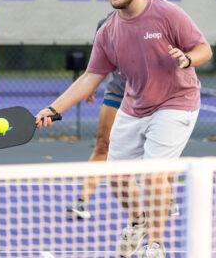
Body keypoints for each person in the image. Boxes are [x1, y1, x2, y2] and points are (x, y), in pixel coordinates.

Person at [36, 0, 212, 258]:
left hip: (177, 101)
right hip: (135, 105)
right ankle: (136, 221)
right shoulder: (108, 31)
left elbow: (204, 48)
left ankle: (155, 244)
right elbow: (90, 78)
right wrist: (54, 109)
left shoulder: (168, 13)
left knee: (154, 174)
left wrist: (187, 58)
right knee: (117, 176)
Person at [65, 13, 180, 221]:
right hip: (118, 94)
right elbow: (99, 63)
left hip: (156, 97)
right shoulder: (105, 23)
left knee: (159, 154)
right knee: (102, 145)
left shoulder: (158, 18)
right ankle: (82, 202)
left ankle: (168, 200)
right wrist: (92, 86)